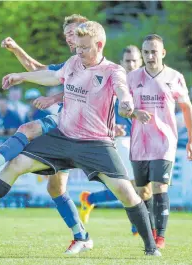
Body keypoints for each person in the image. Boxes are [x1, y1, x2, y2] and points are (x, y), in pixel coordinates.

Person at [0, 21, 160, 256]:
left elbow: (122, 91)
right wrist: (21, 76)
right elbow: (52, 76)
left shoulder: (112, 71)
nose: (78, 52)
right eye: (77, 47)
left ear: (99, 45)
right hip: (62, 137)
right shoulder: (73, 63)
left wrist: (126, 103)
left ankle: (151, 248)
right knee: (17, 163)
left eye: (84, 48)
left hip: (95, 143)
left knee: (126, 192)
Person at [0, 14, 94, 254]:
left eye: (73, 32)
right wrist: (17, 50)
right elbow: (39, 70)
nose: (69, 38)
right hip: (67, 130)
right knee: (51, 186)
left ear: (87, 33)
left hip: (81, 129)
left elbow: (89, 92)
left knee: (28, 129)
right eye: (67, 35)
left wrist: (53, 97)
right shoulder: (72, 62)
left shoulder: (92, 60)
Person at [127, 34, 192, 249]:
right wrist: (134, 113)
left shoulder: (174, 77)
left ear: (163, 53)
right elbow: (123, 108)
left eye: (153, 51)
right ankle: (151, 231)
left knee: (160, 187)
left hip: (165, 142)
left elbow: (187, 108)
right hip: (139, 144)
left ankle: (161, 237)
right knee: (143, 191)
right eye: (146, 52)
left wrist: (191, 141)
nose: (149, 56)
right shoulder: (132, 78)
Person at [78, 45, 146, 237]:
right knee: (133, 185)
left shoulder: (144, 83)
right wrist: (110, 128)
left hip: (140, 141)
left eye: (134, 60)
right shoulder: (115, 81)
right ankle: (138, 226)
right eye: (127, 61)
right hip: (121, 140)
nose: (131, 64)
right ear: (122, 63)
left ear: (140, 62)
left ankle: (90, 199)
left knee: (135, 186)